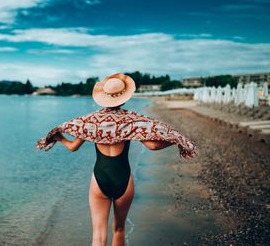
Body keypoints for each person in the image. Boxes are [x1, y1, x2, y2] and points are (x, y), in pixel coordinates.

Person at [36, 73, 196, 246]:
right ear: (124, 98)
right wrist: (175, 141)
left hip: (99, 179)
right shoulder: (132, 120)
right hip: (124, 180)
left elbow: (73, 147)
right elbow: (153, 146)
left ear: (103, 98)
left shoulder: (90, 122)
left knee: (98, 235)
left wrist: (59, 138)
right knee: (119, 229)